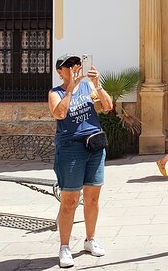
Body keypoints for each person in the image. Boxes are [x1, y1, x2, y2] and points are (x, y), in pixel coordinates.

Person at [48, 53, 113, 268]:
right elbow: (60, 113)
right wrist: (70, 89)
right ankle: (64, 247)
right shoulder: (55, 93)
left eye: (77, 64)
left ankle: (90, 240)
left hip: (94, 146)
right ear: (60, 71)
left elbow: (107, 106)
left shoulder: (89, 88)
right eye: (69, 65)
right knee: (70, 200)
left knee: (93, 197)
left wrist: (98, 84)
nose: (75, 67)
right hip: (70, 149)